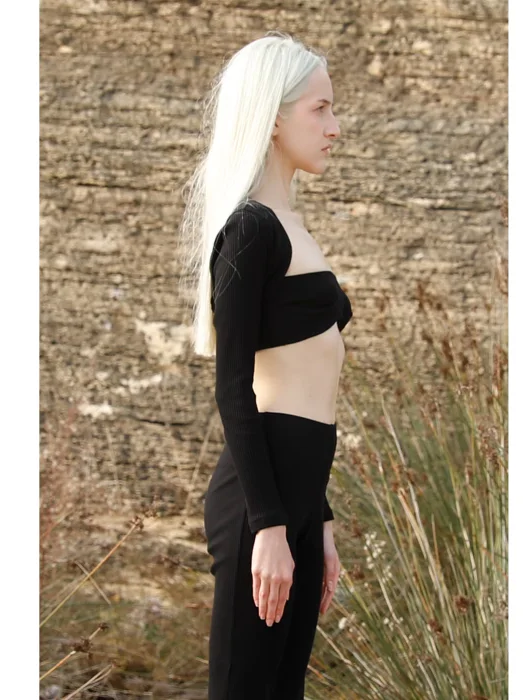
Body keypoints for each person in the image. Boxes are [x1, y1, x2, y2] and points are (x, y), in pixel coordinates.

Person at [177, 31, 351, 700]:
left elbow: (314, 397)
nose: (334, 127)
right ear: (273, 119)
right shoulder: (251, 229)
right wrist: (270, 525)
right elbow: (234, 388)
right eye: (320, 109)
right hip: (261, 504)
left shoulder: (295, 225)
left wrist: (319, 519)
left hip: (299, 498)